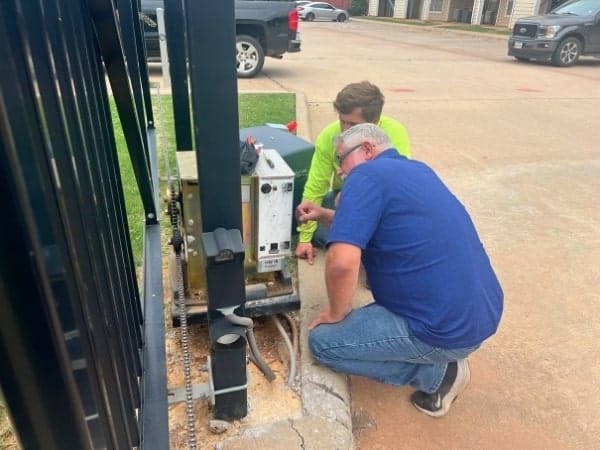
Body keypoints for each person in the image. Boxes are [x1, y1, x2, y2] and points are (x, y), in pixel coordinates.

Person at [296, 124, 503, 418]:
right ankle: (442, 357)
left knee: (324, 343)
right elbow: (372, 223)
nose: (340, 172)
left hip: (442, 328)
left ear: (366, 150)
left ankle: (438, 375)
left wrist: (336, 313)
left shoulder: (364, 175)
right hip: (479, 313)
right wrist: (325, 215)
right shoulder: (417, 170)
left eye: (341, 160)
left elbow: (341, 263)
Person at [295, 81, 411, 264]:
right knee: (319, 223)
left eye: (353, 125)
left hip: (381, 205)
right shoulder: (329, 135)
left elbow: (396, 189)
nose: (345, 130)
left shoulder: (394, 133)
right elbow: (316, 185)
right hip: (344, 199)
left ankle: (371, 250)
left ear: (374, 122)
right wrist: (304, 239)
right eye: (342, 121)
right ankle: (369, 249)